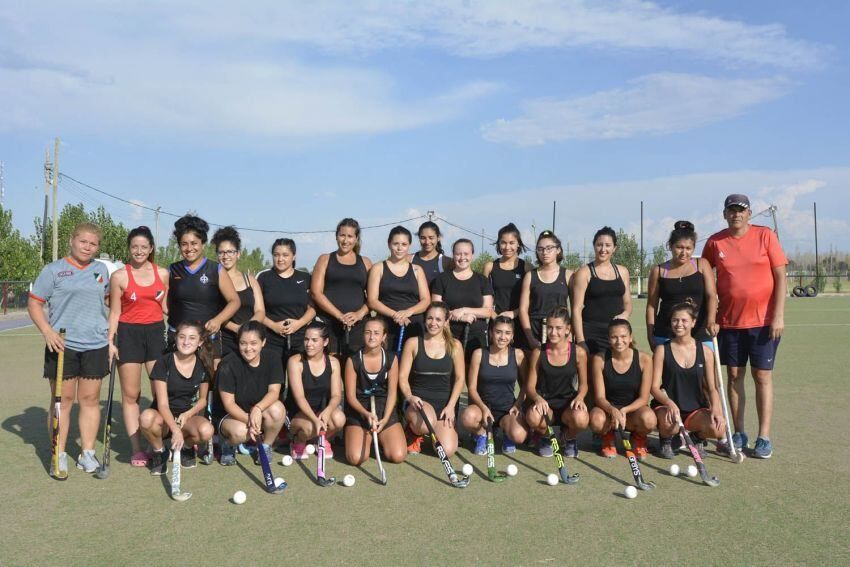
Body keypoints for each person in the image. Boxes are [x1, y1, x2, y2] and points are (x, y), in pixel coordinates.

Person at [702, 194, 787, 459]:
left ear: (749, 213)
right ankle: (739, 433)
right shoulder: (715, 242)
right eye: (731, 210)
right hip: (729, 323)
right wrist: (712, 315)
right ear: (724, 214)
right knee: (734, 376)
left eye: (741, 210)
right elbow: (706, 275)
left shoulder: (766, 236)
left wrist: (779, 315)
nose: (736, 214)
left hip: (763, 323)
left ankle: (764, 437)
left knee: (762, 376)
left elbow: (781, 275)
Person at [28, 222, 111, 475]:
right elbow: (35, 303)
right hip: (62, 344)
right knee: (62, 402)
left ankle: (87, 454)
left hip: (96, 344)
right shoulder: (54, 270)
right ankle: (59, 454)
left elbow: (109, 300)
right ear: (72, 241)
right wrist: (47, 331)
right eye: (83, 241)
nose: (88, 247)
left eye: (93, 243)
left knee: (90, 400)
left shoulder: (101, 270)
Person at [107, 226, 169, 467]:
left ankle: (159, 439)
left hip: (155, 334)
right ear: (129, 248)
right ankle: (137, 449)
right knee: (131, 395)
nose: (139, 251)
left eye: (144, 247)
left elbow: (166, 307)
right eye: (135, 247)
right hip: (128, 335)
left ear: (151, 248)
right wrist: (110, 341)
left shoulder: (162, 274)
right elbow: (114, 312)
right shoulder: (119, 276)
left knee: (159, 393)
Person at [651, 302, 725, 459]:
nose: (679, 324)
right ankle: (666, 439)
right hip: (668, 408)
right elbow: (654, 388)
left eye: (684, 320)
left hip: (695, 410)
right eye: (675, 320)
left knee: (718, 428)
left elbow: (712, 387)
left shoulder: (705, 351)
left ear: (693, 322)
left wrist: (717, 409)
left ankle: (697, 438)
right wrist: (670, 403)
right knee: (670, 424)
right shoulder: (662, 350)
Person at [140, 321, 214, 474]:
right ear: (176, 338)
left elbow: (202, 400)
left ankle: (186, 447)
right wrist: (175, 430)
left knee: (206, 430)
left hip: (186, 418)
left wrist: (187, 415)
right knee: (146, 418)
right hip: (163, 418)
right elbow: (162, 404)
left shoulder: (204, 365)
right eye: (182, 337)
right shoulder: (163, 362)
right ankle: (160, 451)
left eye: (192, 338)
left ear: (200, 342)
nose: (186, 342)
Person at [166, 214, 240, 363]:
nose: (189, 248)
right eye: (184, 244)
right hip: (178, 340)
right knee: (176, 385)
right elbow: (163, 301)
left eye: (194, 243)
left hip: (208, 339)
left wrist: (218, 320)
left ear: (203, 244)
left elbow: (234, 301)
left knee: (209, 384)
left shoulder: (216, 269)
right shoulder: (172, 270)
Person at [216, 321, 287, 466]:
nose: (248, 348)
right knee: (242, 432)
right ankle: (227, 445)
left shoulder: (273, 358)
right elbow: (229, 404)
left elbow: (274, 392)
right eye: (243, 343)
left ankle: (266, 447)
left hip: (258, 412)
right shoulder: (227, 364)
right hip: (231, 416)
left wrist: (257, 409)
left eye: (254, 343)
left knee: (278, 409)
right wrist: (251, 421)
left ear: (263, 342)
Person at [399, 302, 465, 456]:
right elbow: (402, 377)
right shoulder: (413, 343)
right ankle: (414, 432)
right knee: (425, 422)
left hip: (443, 407)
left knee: (447, 450)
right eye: (429, 318)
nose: (433, 323)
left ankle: (432, 429)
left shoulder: (455, 345)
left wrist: (450, 407)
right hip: (419, 404)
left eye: (438, 319)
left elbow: (460, 378)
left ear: (446, 322)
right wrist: (409, 397)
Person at [523, 306, 589, 458]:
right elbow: (530, 387)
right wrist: (538, 399)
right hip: (546, 405)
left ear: (568, 329)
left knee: (582, 418)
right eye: (550, 327)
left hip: (568, 404)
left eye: (558, 328)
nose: (553, 332)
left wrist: (580, 397)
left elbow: (584, 384)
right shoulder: (538, 353)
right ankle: (545, 437)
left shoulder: (579, 353)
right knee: (532, 416)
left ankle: (568, 438)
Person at [343, 316, 407, 465]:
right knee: (356, 458)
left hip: (384, 409)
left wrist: (384, 419)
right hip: (360, 410)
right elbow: (350, 397)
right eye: (368, 332)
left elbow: (392, 393)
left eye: (377, 333)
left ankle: (379, 436)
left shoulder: (391, 359)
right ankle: (365, 438)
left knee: (398, 456)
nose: (372, 336)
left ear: (384, 336)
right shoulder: (353, 360)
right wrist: (366, 414)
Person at [589, 319, 655, 460]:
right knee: (596, 419)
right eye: (614, 337)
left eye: (624, 336)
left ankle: (638, 439)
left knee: (649, 420)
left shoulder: (645, 360)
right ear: (608, 339)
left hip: (633, 411)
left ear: (630, 337)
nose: (619, 341)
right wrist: (613, 410)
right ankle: (608, 437)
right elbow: (599, 397)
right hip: (608, 411)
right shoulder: (599, 359)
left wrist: (624, 410)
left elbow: (644, 398)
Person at [646, 221, 718, 350]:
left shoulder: (702, 265)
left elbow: (711, 295)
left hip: (700, 333)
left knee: (705, 370)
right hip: (666, 333)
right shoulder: (659, 271)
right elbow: (652, 306)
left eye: (688, 248)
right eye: (679, 247)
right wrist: (650, 334)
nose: (683, 252)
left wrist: (711, 320)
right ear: (670, 246)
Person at [461, 316, 528, 455]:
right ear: (491, 333)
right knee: (467, 417)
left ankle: (507, 434)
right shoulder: (478, 354)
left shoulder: (518, 355)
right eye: (498, 332)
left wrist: (517, 404)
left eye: (507, 333)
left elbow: (526, 386)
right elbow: (471, 388)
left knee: (519, 435)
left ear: (512, 335)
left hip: (507, 410)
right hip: (483, 409)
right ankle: (482, 434)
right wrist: (483, 408)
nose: (502, 337)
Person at [311, 218, 373, 359]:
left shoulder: (366, 262)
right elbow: (316, 293)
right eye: (342, 235)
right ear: (336, 236)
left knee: (353, 369)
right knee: (331, 370)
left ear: (356, 238)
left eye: (350, 236)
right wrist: (339, 315)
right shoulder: (325, 259)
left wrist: (359, 314)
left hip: (358, 327)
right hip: (329, 324)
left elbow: (374, 298)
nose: (345, 240)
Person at [285, 322, 346, 459]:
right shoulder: (295, 362)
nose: (308, 344)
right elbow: (299, 397)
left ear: (325, 342)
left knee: (339, 418)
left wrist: (328, 411)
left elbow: (336, 395)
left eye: (314, 340)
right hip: (298, 415)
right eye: (306, 339)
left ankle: (322, 440)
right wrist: (315, 420)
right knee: (309, 427)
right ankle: (298, 441)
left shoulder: (334, 362)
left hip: (321, 411)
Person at [367, 226, 431, 351]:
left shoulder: (417, 270)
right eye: (396, 243)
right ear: (389, 244)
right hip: (387, 326)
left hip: (413, 325)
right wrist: (396, 315)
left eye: (404, 244)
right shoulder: (378, 268)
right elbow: (372, 300)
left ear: (409, 245)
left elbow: (426, 300)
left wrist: (408, 312)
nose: (399, 248)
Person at [571, 226, 632, 355]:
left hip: (616, 335)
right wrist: (581, 341)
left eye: (608, 245)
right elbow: (576, 309)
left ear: (615, 248)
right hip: (591, 335)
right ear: (594, 246)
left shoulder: (623, 271)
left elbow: (628, 305)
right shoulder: (584, 273)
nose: (603, 249)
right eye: (599, 245)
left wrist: (625, 315)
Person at [431, 238, 494, 359]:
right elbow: (436, 309)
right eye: (458, 254)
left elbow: (488, 311)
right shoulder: (442, 279)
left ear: (472, 255)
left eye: (466, 254)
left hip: (476, 337)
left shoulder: (482, 281)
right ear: (453, 255)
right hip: (448, 335)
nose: (462, 257)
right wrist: (461, 317)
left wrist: (464, 310)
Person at [258, 238, 316, 367]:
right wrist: (273, 326)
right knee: (274, 382)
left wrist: (299, 323)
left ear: (294, 256)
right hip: (271, 339)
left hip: (301, 338)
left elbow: (313, 307)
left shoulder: (305, 278)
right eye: (276, 255)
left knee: (299, 381)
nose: (280, 259)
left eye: (285, 255)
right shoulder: (263, 278)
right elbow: (257, 310)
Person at [211, 226, 266, 358]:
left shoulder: (250, 280)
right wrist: (236, 328)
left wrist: (248, 328)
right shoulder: (213, 281)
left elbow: (260, 311)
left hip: (251, 341)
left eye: (230, 251)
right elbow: (213, 313)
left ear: (238, 254)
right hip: (224, 341)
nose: (226, 256)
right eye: (221, 252)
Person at [519, 230, 572, 350]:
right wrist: (530, 338)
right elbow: (523, 310)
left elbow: (575, 309)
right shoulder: (530, 276)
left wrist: (570, 333)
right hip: (535, 331)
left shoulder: (568, 275)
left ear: (558, 250)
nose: (545, 252)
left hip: (558, 330)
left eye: (549, 248)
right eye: (540, 249)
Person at [483, 223, 531, 348]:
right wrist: (495, 317)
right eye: (503, 242)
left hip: (520, 322)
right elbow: (483, 296)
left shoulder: (526, 267)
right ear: (498, 244)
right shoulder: (490, 267)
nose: (507, 247)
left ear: (518, 243)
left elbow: (532, 298)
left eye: (511, 242)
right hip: (496, 323)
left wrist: (514, 313)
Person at [410, 220, 452, 285]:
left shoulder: (447, 262)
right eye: (423, 238)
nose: (427, 242)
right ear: (419, 238)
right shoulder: (409, 259)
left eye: (431, 238)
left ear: (438, 238)